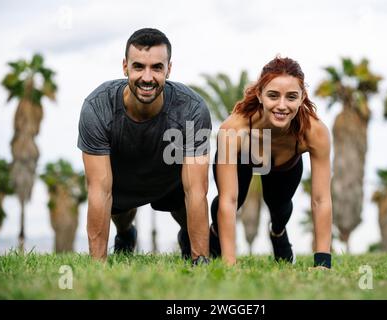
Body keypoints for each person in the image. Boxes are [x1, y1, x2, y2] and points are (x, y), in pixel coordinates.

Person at [77, 28, 211, 265]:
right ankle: (126, 234)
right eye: (139, 66)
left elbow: (196, 191)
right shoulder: (97, 107)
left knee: (185, 205)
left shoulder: (192, 109)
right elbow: (99, 189)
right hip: (122, 182)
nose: (147, 77)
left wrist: (201, 260)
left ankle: (187, 241)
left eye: (157, 68)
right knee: (119, 213)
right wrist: (97, 267)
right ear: (125, 67)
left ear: (169, 69)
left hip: (171, 181)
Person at [210, 56, 332, 268]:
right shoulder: (235, 128)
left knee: (280, 208)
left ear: (303, 97)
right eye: (273, 96)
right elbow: (228, 201)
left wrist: (323, 263)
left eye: (292, 97)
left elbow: (321, 199)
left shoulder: (314, 132)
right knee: (229, 200)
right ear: (259, 94)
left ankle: (278, 233)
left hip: (285, 167)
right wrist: (229, 264)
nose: (282, 106)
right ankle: (213, 236)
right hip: (244, 160)